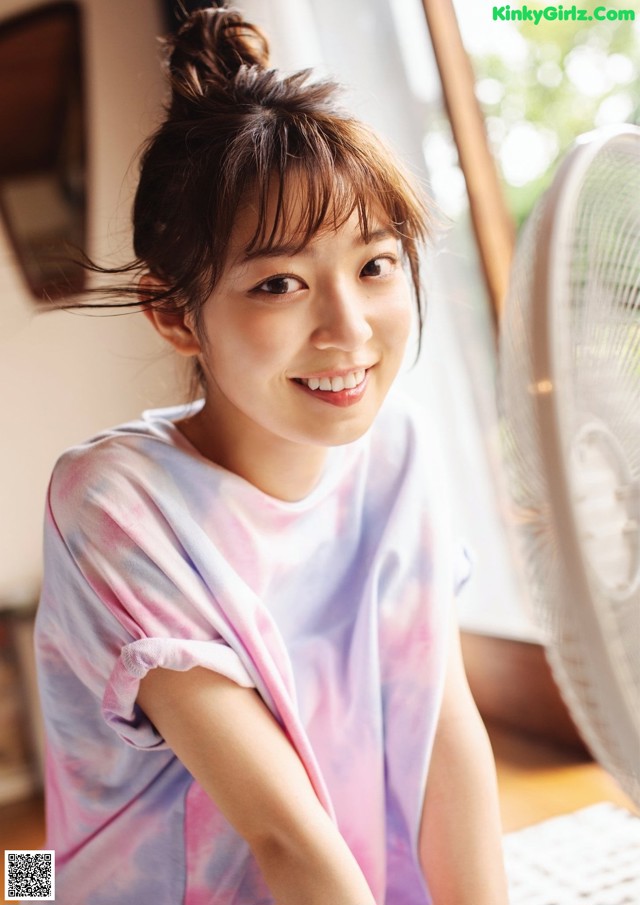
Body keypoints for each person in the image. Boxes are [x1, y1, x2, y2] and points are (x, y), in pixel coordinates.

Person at [35, 5, 509, 903]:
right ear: (177, 313)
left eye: (375, 265)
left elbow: (446, 729)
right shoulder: (111, 500)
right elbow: (284, 833)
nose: (349, 329)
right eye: (280, 283)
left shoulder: (399, 446)